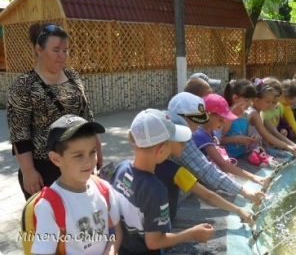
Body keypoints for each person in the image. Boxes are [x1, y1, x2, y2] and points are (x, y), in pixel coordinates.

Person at [7, 23, 101, 200]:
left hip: (79, 162)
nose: (62, 56)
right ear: (39, 49)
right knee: (49, 222)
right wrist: (28, 171)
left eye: (65, 50)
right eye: (56, 50)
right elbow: (20, 135)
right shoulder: (24, 86)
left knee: (79, 218)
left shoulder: (73, 77)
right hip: (44, 168)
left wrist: (97, 154)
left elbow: (87, 117)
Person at [111, 109, 214, 255]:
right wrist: (191, 233)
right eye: (171, 143)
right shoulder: (155, 190)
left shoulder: (121, 168)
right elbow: (154, 242)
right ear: (160, 150)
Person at [31, 114, 122, 254]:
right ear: (55, 159)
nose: (89, 162)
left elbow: (115, 232)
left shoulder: (104, 189)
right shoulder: (48, 206)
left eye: (93, 152)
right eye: (78, 155)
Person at [167, 91, 264, 204]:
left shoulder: (182, 132)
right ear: (182, 118)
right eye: (196, 120)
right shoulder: (182, 140)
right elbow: (206, 170)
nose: (198, 125)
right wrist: (245, 192)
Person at [155, 141, 252, 224]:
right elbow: (207, 196)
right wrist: (238, 210)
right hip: (162, 230)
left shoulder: (142, 168)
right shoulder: (176, 171)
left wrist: (238, 210)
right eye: (182, 142)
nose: (185, 145)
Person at [193, 93, 269, 185]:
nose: (224, 122)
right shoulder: (201, 135)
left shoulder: (210, 132)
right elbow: (223, 165)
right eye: (221, 119)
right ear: (207, 115)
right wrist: (253, 177)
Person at [260, 77, 296, 158]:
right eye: (271, 102)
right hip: (267, 143)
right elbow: (273, 132)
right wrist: (292, 145)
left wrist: (283, 129)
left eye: (276, 102)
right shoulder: (264, 113)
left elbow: (281, 123)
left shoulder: (279, 107)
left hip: (276, 141)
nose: (273, 106)